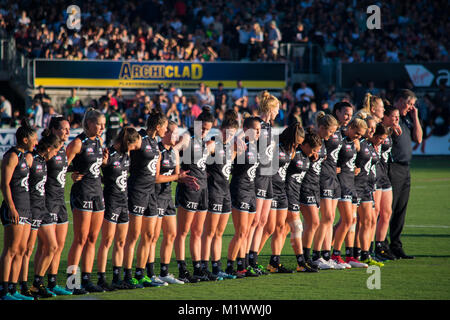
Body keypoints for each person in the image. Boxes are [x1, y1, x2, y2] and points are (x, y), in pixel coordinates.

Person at [123, 112, 168, 288]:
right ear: (158, 126)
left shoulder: (155, 142)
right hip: (137, 192)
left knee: (149, 235)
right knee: (133, 236)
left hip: (151, 194)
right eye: (165, 126)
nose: (166, 129)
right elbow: (120, 153)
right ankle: (127, 275)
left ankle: (141, 274)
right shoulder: (139, 138)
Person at [65, 108, 108, 293]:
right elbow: (61, 165)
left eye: (103, 125)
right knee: (80, 239)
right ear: (89, 123)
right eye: (99, 124)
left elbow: (96, 166)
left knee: (92, 239)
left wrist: (104, 161)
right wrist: (72, 174)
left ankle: (86, 279)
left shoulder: (98, 141)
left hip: (98, 192)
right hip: (82, 193)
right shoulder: (77, 143)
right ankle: (71, 282)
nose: (102, 128)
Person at [96, 127, 142, 291]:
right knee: (107, 241)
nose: (134, 149)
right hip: (110, 201)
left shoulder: (126, 154)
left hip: (124, 201)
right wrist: (103, 165)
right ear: (127, 142)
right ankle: (101, 278)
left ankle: (117, 278)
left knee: (121, 242)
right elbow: (94, 173)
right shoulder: (108, 153)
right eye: (133, 146)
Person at [153, 121, 198, 285]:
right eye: (172, 132)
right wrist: (177, 177)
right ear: (164, 133)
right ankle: (150, 273)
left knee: (171, 234)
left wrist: (186, 179)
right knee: (153, 236)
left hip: (167, 197)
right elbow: (156, 178)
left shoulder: (173, 152)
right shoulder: (157, 150)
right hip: (155, 197)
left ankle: (164, 273)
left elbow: (178, 174)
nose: (177, 136)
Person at [20, 129, 63, 299]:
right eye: (56, 150)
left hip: (42, 208)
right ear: (49, 148)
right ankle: (23, 286)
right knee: (28, 249)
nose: (56, 154)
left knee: (52, 246)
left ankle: (37, 282)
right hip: (31, 209)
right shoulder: (31, 158)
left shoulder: (44, 161)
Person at [174, 109, 216, 282]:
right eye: (203, 128)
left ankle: (198, 268)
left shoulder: (204, 141)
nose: (205, 131)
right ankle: (182, 269)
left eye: (208, 129)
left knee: (198, 231)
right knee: (183, 232)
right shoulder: (187, 138)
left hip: (203, 189)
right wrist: (178, 174)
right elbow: (173, 151)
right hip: (189, 189)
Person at [312, 102, 353, 270]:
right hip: (324, 178)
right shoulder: (321, 134)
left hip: (334, 178)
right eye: (346, 113)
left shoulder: (339, 132)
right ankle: (316, 255)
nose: (348, 117)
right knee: (327, 217)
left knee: (330, 219)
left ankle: (326, 256)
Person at [0, 120, 37, 300]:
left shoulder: (24, 156)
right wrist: (12, 208)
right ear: (24, 140)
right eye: (33, 139)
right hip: (14, 209)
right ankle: (4, 290)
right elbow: (4, 184)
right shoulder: (12, 156)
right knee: (11, 250)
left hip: (25, 208)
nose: (35, 142)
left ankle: (14, 290)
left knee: (21, 250)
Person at [298, 112, 338, 271]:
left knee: (310, 223)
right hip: (305, 184)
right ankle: (305, 258)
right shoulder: (309, 138)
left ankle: (306, 259)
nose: (332, 135)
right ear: (321, 128)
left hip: (315, 186)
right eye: (331, 131)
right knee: (313, 222)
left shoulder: (322, 141)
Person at [201, 114, 239, 279]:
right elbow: (198, 162)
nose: (229, 136)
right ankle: (203, 266)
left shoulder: (231, 147)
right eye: (227, 132)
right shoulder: (213, 143)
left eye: (232, 133)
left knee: (219, 233)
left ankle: (217, 268)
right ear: (221, 129)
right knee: (209, 232)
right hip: (214, 192)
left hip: (226, 193)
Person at [37, 117, 72, 295]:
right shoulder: (46, 150)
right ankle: (38, 283)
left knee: (59, 245)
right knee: (45, 247)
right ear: (52, 130)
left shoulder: (63, 149)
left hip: (60, 202)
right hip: (47, 202)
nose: (67, 132)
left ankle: (52, 283)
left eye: (68, 129)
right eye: (64, 129)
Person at [247, 91, 280, 275]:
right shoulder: (257, 125)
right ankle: (247, 259)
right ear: (271, 108)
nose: (278, 113)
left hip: (268, 176)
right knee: (255, 221)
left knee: (263, 221)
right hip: (258, 175)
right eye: (277, 109)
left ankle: (254, 258)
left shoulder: (269, 127)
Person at [225, 117, 261, 277]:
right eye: (256, 130)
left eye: (260, 130)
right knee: (241, 232)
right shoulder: (239, 144)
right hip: (239, 189)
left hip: (251, 190)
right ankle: (230, 266)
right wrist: (237, 138)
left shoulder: (254, 146)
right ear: (246, 130)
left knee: (247, 232)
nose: (259, 133)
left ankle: (243, 265)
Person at [388, 89, 422, 259]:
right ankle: (381, 245)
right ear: (400, 101)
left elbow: (419, 139)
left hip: (405, 168)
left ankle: (395, 245)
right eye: (409, 104)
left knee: (401, 209)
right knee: (388, 210)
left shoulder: (407, 119)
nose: (411, 108)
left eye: (413, 105)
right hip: (392, 167)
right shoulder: (390, 117)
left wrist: (415, 117)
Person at [332, 118, 369, 268]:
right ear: (351, 127)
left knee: (352, 221)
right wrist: (334, 168)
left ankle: (349, 256)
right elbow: (331, 157)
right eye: (357, 133)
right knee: (346, 220)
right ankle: (334, 255)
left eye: (361, 135)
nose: (359, 137)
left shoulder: (354, 142)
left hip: (351, 183)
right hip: (341, 184)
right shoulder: (340, 139)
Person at [354, 115, 384, 267]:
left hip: (367, 187)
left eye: (374, 128)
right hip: (355, 187)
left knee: (369, 220)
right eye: (370, 128)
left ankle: (365, 253)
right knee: (349, 222)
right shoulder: (357, 143)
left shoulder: (369, 144)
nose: (372, 130)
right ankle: (335, 252)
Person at [373, 105, 401, 261]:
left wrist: (394, 127)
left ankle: (380, 246)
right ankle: (368, 249)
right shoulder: (376, 128)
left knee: (386, 213)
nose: (396, 119)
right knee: (374, 213)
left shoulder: (390, 132)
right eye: (393, 116)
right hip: (374, 175)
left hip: (384, 174)